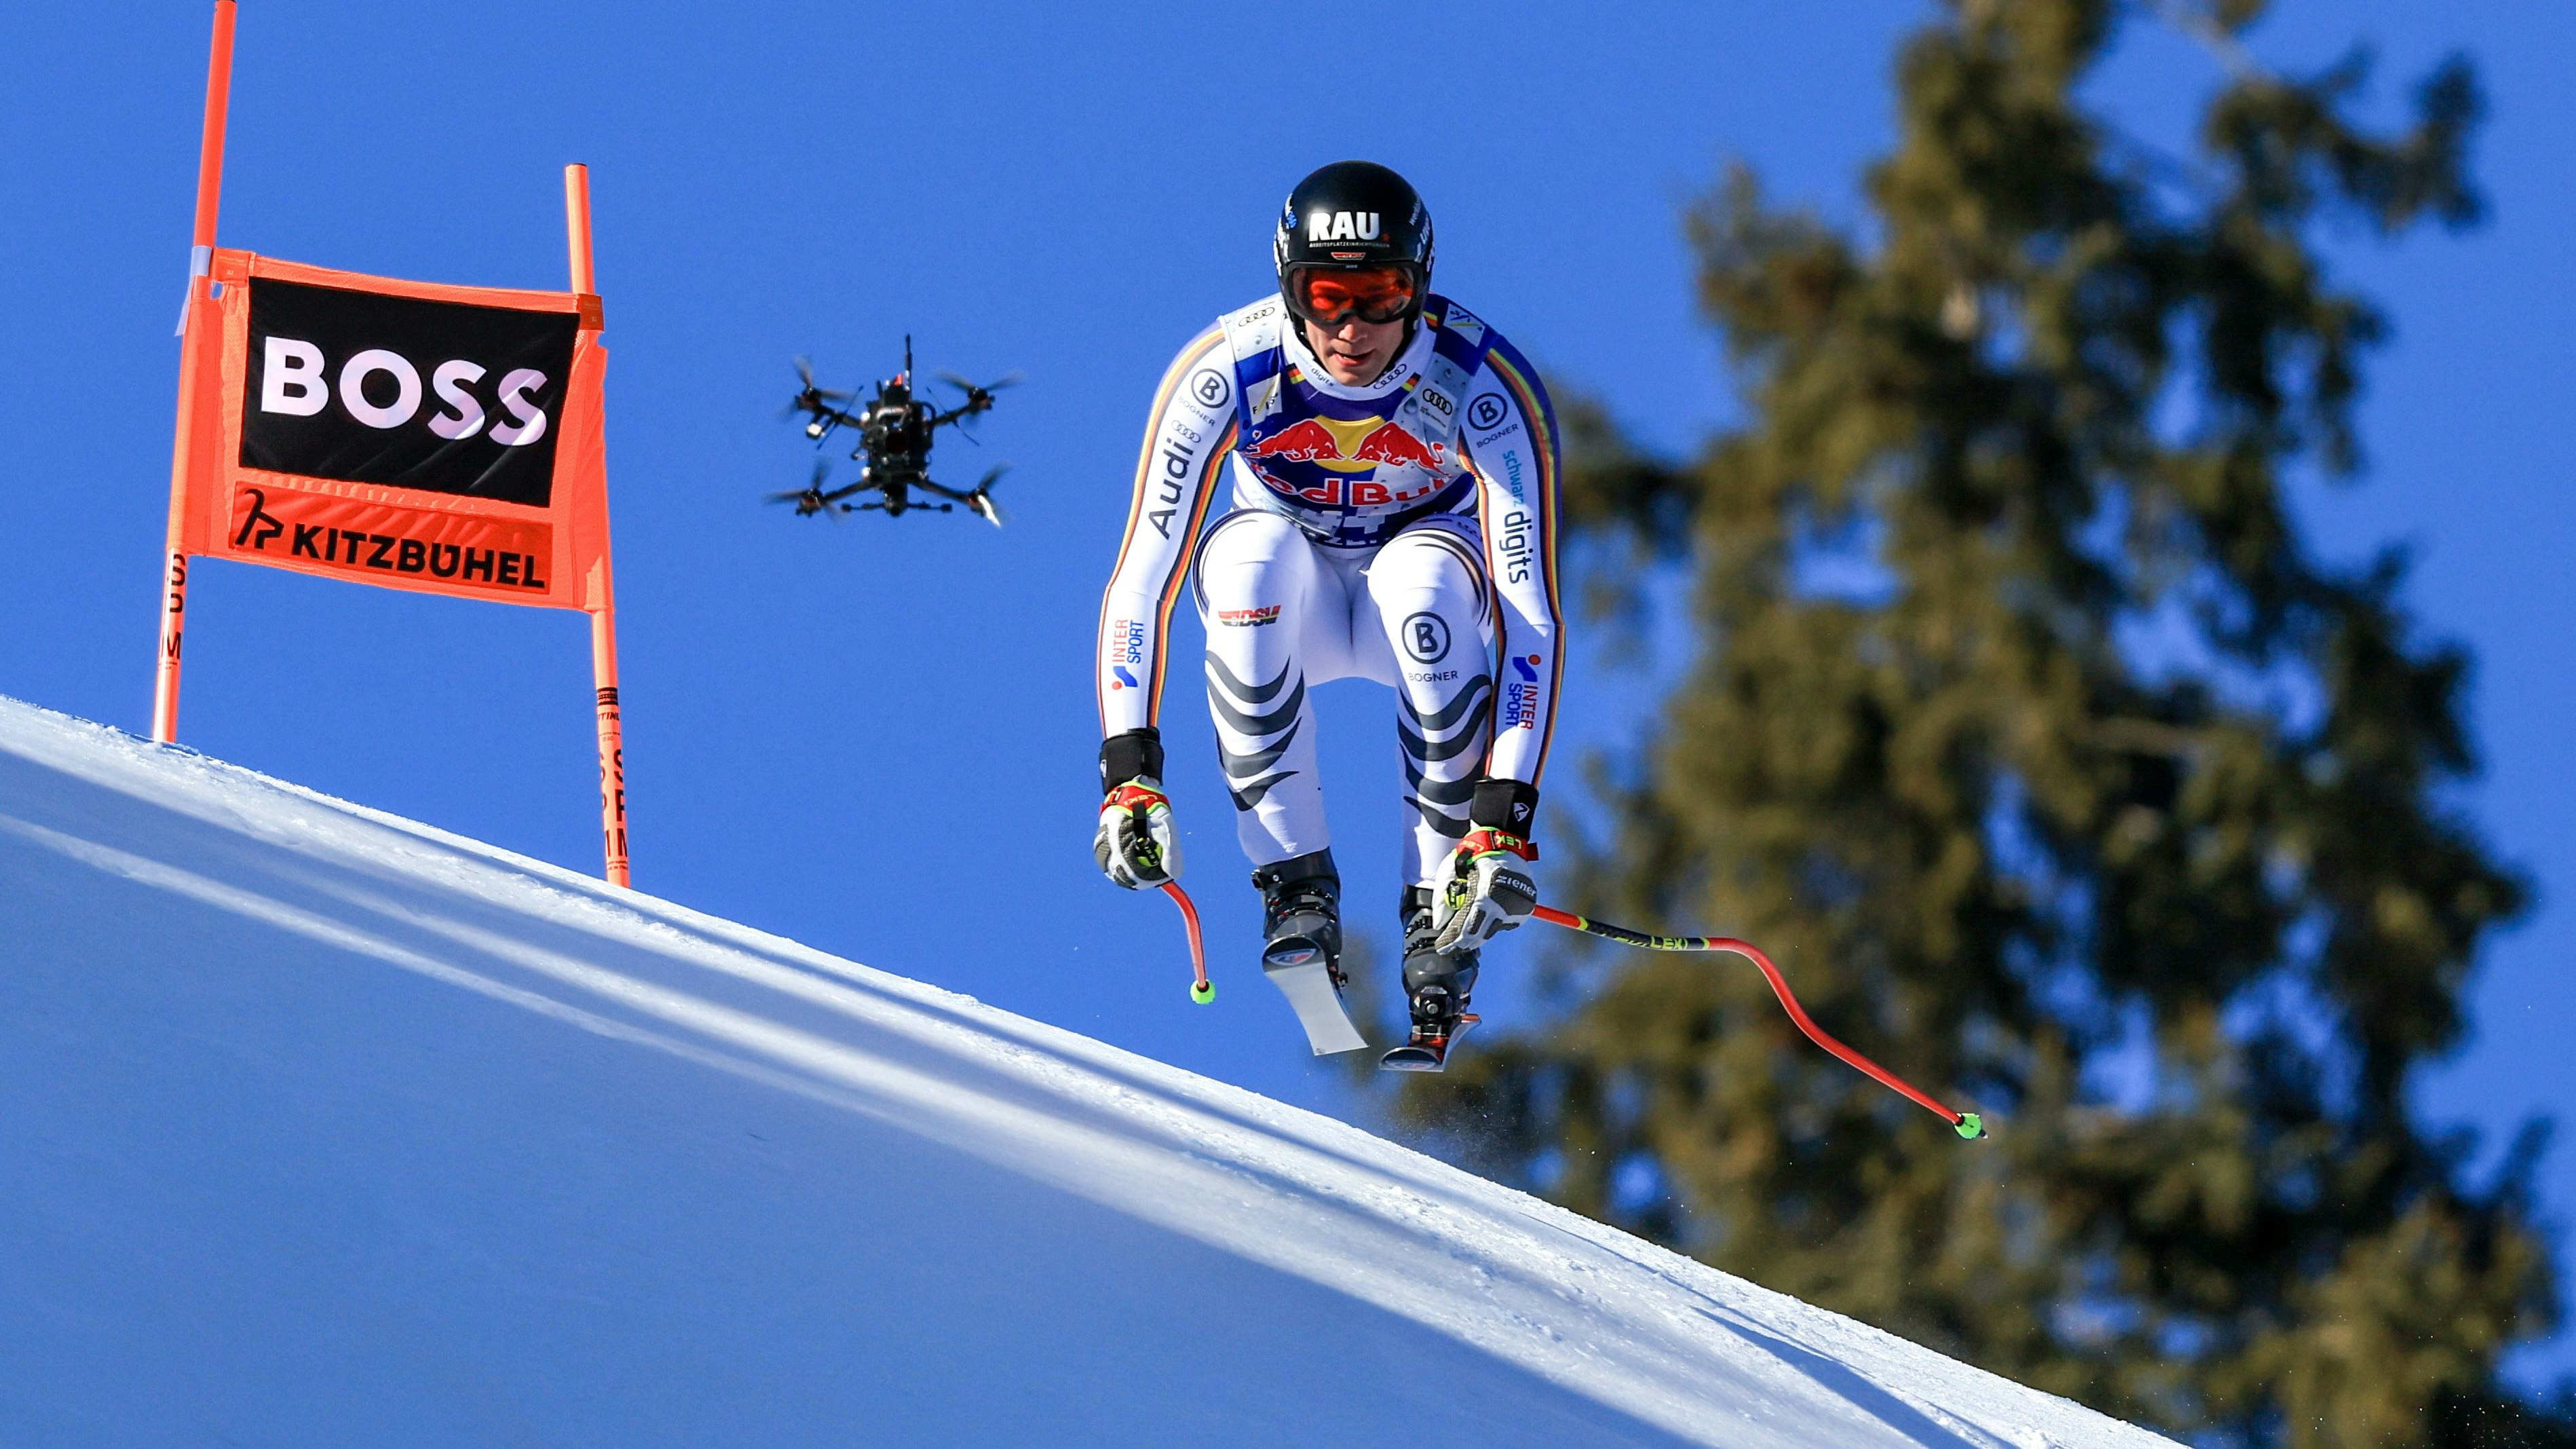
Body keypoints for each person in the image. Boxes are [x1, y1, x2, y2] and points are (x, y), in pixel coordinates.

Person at [1092, 160, 1562, 1070]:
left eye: (1382, 297)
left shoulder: (1481, 381)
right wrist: (1129, 775)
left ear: (1419, 287)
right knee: (1248, 560)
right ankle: (1296, 887)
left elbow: (1530, 619)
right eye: (1327, 296)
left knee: (1421, 580)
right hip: (1292, 598)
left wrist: (1503, 815)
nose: (1353, 329)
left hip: (1417, 601)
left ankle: (1437, 911)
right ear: (1289, 287)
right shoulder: (1228, 369)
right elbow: (1142, 580)